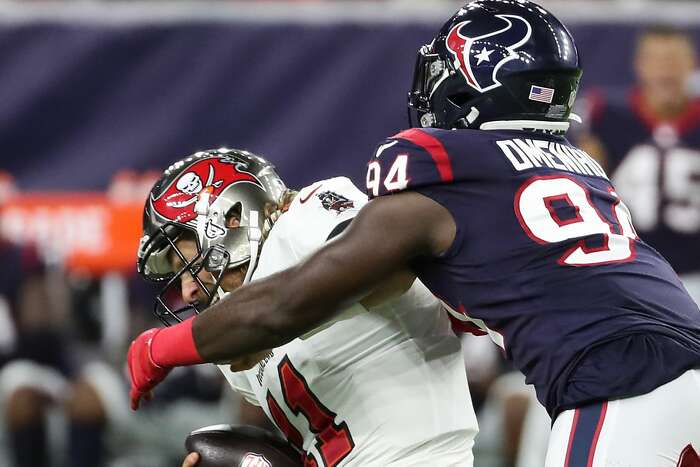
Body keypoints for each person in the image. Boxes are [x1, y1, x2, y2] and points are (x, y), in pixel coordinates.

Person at [128, 1, 700, 466]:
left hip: (616, 378)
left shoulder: (436, 166)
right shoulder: (574, 163)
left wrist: (160, 348)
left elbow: (289, 303)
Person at [135, 149, 478, 466]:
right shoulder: (232, 325)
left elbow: (388, 265)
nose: (189, 290)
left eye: (189, 261)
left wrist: (164, 347)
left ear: (232, 217)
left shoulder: (304, 217)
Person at [577, 25, 700, 305]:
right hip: (633, 271)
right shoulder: (607, 117)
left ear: (691, 65)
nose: (665, 70)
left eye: (674, 60)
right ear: (639, 65)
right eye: (657, 60)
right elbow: (585, 187)